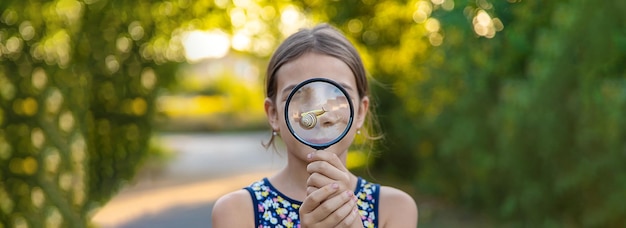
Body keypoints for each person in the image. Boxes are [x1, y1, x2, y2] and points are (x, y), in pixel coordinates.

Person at [212, 23, 418, 228]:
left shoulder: (394, 208)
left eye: (338, 95)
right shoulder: (236, 211)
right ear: (273, 114)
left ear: (361, 112)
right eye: (299, 95)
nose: (320, 115)